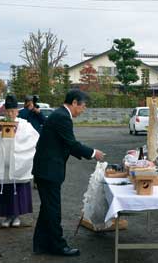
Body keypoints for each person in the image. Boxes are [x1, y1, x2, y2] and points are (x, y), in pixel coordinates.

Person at [32, 89, 105, 257]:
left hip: (45, 169)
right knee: (53, 209)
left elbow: (65, 144)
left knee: (47, 209)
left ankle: (41, 244)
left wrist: (87, 152)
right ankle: (58, 246)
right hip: (48, 170)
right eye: (83, 106)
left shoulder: (59, 115)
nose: (83, 109)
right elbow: (71, 144)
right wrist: (93, 153)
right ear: (74, 103)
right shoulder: (62, 117)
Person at [0, 94, 39, 228]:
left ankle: (16, 216)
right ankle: (7, 216)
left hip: (18, 164)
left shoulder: (25, 125)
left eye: (13, 111)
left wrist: (18, 135)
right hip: (4, 164)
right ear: (5, 111)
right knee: (5, 191)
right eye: (8, 111)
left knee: (18, 190)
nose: (11, 113)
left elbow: (34, 140)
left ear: (17, 111)